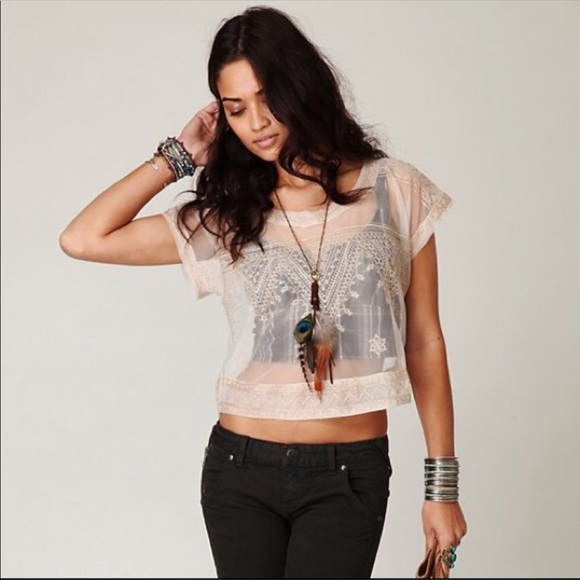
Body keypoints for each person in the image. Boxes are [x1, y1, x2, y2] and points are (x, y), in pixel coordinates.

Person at [59, 5, 467, 579]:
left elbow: (424, 340)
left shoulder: (394, 191)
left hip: (348, 473)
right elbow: (83, 238)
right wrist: (177, 157)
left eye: (267, 97)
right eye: (235, 109)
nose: (256, 122)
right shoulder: (229, 216)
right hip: (239, 467)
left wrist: (441, 487)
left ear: (300, 84)